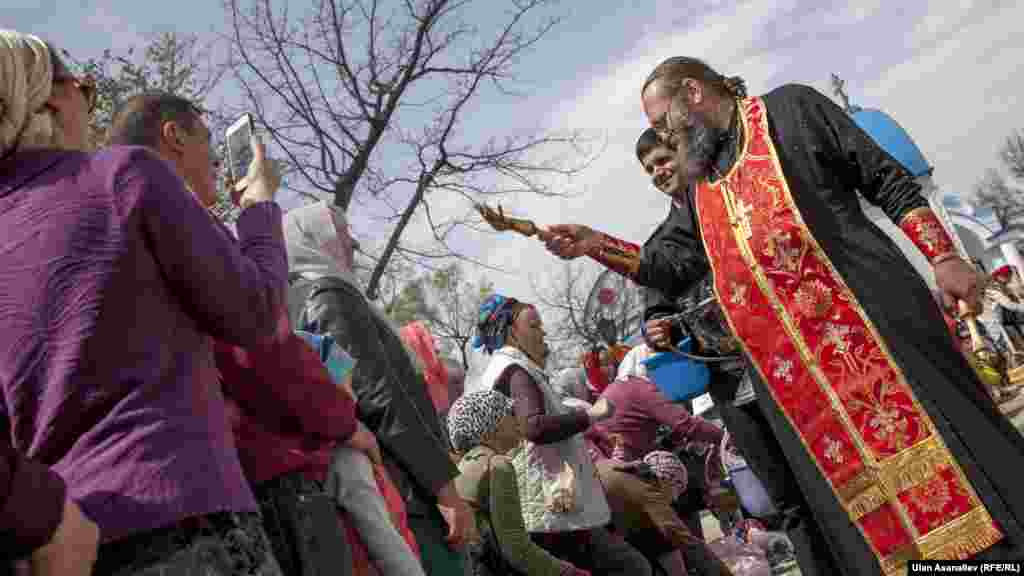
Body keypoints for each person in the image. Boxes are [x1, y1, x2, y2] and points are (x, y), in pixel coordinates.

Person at [559, 56, 1024, 572]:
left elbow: (885, 179)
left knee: (963, 463)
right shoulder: (699, 187)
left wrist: (944, 256)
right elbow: (670, 264)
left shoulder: (790, 111)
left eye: (661, 119)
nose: (664, 133)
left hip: (879, 336)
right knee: (865, 511)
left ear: (692, 92)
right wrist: (594, 244)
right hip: (802, 388)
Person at [0, 31, 288, 575]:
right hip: (185, 520)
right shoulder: (119, 175)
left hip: (63, 546)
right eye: (83, 88)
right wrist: (258, 210)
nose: (89, 105)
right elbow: (259, 315)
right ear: (47, 96)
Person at [108, 90, 378, 575]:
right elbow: (262, 338)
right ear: (173, 136)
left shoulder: (112, 225)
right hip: (245, 490)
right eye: (207, 143)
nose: (216, 161)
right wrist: (258, 206)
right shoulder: (161, 216)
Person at [285, 199, 473, 575]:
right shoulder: (329, 297)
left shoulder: (321, 297)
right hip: (407, 492)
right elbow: (383, 398)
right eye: (341, 231)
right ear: (313, 238)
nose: (353, 243)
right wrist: (443, 488)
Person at [473, 294, 653, 576]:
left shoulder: (507, 371)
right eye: (533, 326)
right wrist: (590, 415)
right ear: (511, 333)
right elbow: (534, 427)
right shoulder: (515, 371)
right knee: (633, 568)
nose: (542, 331)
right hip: (550, 509)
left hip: (546, 505)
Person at [447, 389, 591, 576]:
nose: (518, 421)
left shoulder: (464, 465)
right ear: (489, 429)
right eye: (510, 414)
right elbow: (516, 548)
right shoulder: (497, 465)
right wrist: (568, 573)